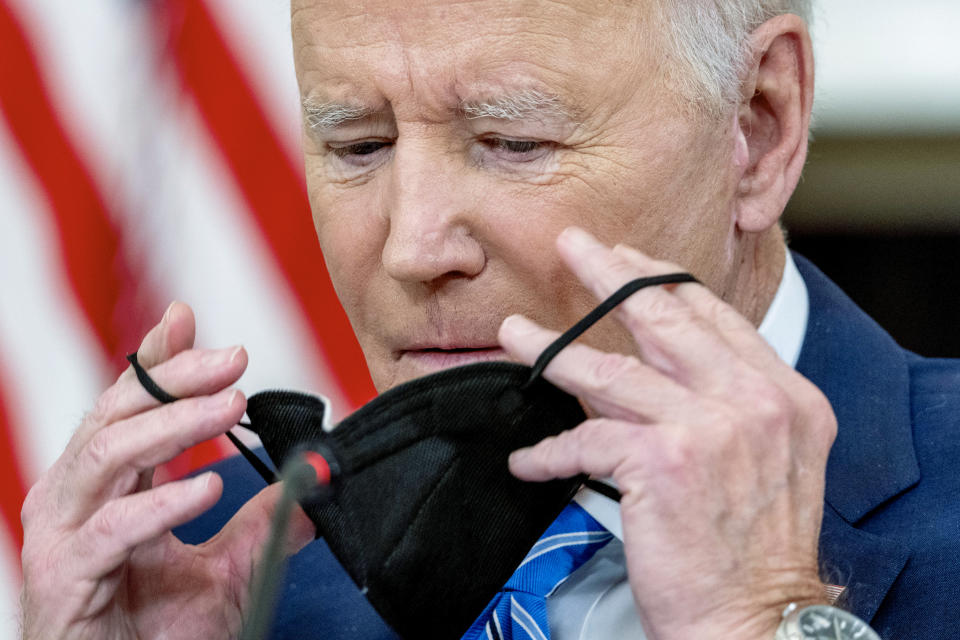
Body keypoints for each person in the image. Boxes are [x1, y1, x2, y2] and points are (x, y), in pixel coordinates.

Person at [18, 0, 960, 638]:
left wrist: (769, 619)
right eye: (358, 144)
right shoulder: (226, 565)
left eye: (512, 142)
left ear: (759, 126)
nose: (413, 248)